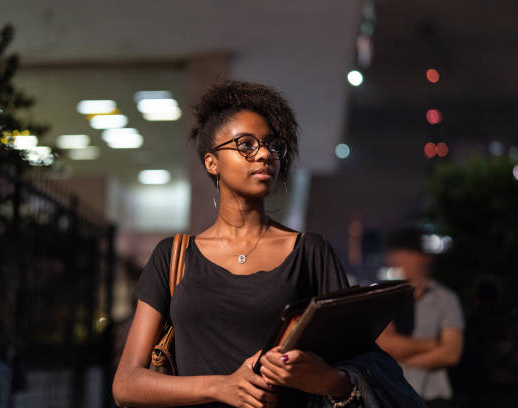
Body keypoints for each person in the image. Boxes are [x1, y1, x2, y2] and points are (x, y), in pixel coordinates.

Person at [112, 81, 423, 407]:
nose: (264, 154)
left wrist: (325, 380)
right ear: (211, 162)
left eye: (272, 146)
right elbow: (126, 384)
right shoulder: (173, 256)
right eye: (245, 144)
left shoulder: (309, 252)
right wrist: (221, 387)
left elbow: (356, 361)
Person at [376, 227, 464, 408]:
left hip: (433, 397)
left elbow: (451, 354)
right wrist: (432, 344)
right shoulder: (385, 296)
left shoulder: (444, 298)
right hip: (393, 396)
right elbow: (385, 345)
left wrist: (401, 361)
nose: (399, 259)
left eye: (406, 253)